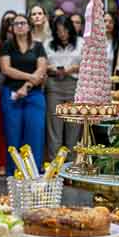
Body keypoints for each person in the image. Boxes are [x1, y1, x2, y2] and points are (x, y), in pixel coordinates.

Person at [0, 14, 47, 175]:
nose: (20, 26)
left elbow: (41, 69)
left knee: (35, 134)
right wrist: (29, 77)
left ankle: (33, 173)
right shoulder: (7, 45)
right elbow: (6, 69)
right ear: (12, 28)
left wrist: (26, 86)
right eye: (16, 23)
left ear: (29, 26)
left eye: (23, 23)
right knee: (13, 135)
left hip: (34, 94)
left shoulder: (38, 46)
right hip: (11, 94)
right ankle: (14, 173)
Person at [44, 16, 82, 161]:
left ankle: (71, 165)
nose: (62, 33)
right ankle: (55, 167)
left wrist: (73, 68)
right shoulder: (48, 44)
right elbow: (42, 64)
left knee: (73, 126)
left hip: (74, 85)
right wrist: (52, 68)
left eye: (65, 30)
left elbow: (87, 64)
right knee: (54, 127)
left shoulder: (80, 43)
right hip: (54, 85)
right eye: (59, 30)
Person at [0, 10, 17, 175]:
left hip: (21, 88)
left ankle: (18, 164)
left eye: (13, 23)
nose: (10, 26)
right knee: (1, 127)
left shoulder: (27, 44)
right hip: (0, 88)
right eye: (7, 22)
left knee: (17, 128)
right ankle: (2, 162)